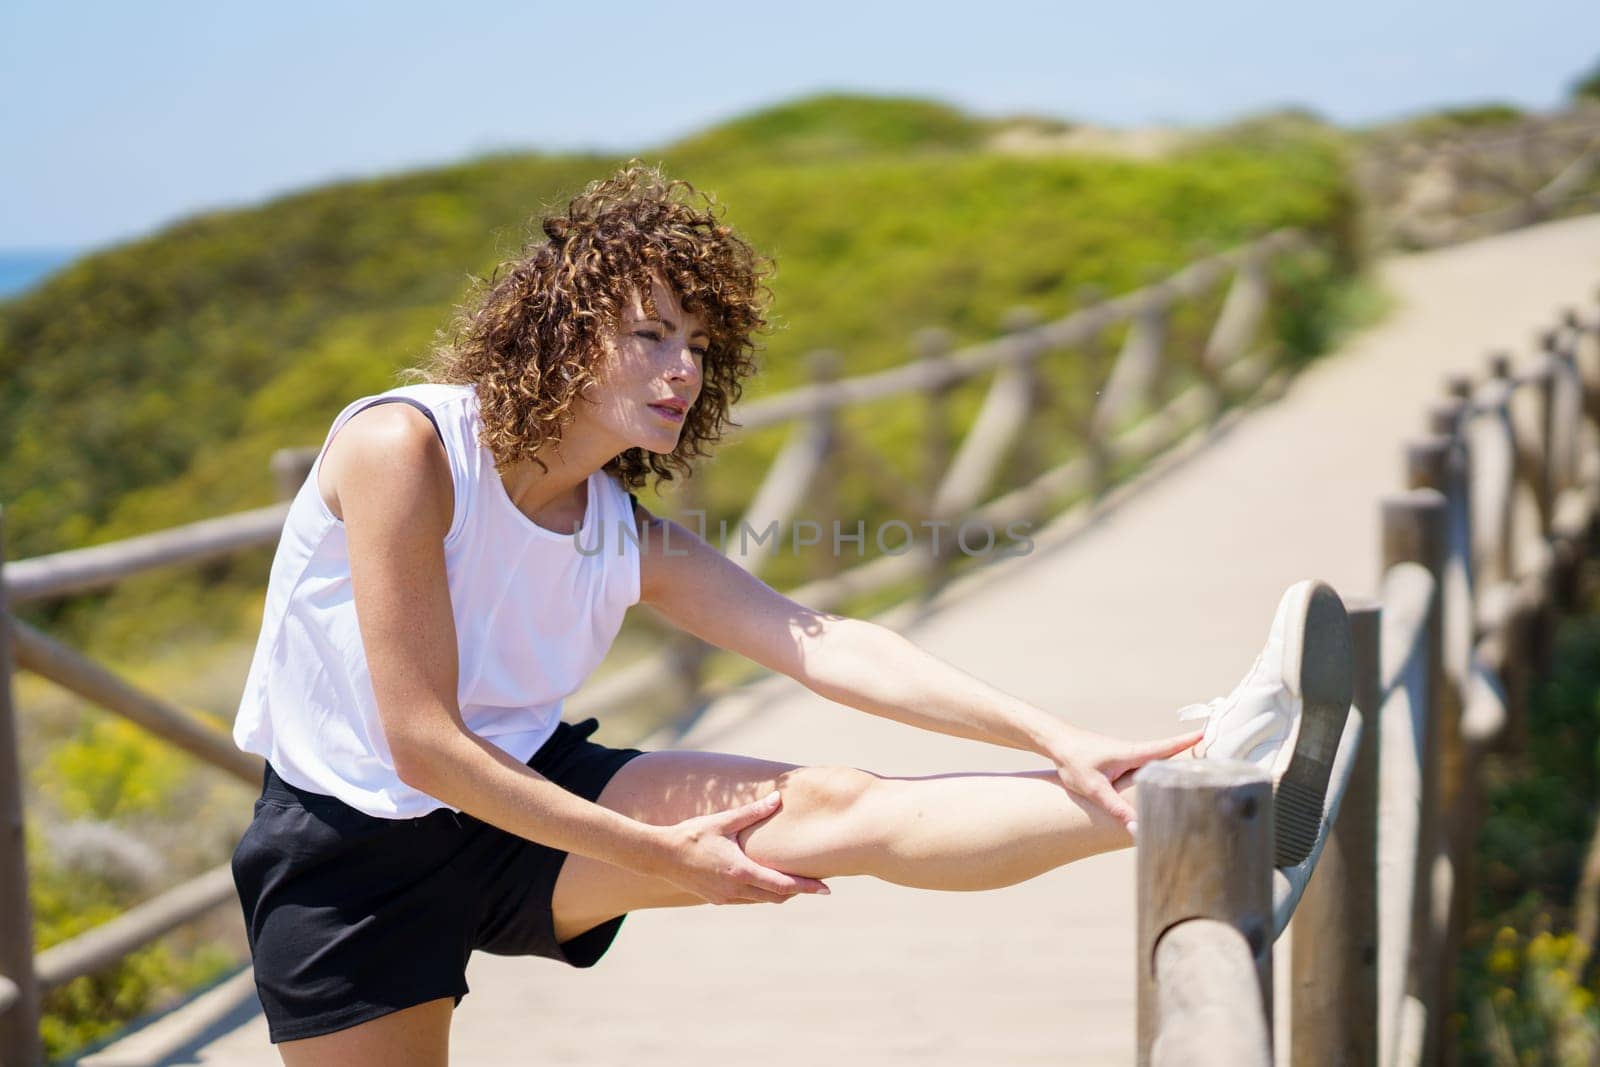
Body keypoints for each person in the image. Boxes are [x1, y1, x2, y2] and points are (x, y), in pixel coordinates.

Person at [229, 163, 1347, 1066]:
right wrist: (665, 855)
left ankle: (1208, 789)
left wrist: (1055, 734)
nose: (681, 370)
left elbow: (825, 643)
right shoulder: (406, 449)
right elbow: (422, 744)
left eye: (698, 348)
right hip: (346, 853)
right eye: (651, 335)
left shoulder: (621, 530)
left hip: (529, 790)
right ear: (563, 332)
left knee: (840, 803)